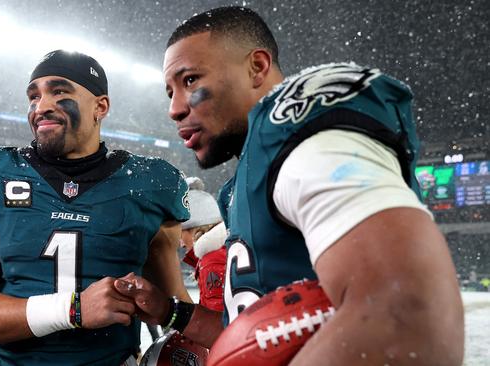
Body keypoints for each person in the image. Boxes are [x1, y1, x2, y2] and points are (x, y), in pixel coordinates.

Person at [113, 6, 465, 365]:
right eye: (169, 91)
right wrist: (168, 311)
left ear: (258, 67)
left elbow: (409, 314)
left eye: (190, 81)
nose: (174, 108)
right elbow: (254, 335)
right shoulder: (244, 181)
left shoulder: (300, 135)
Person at [0, 50, 191, 366]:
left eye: (59, 92)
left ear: (100, 106)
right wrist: (74, 310)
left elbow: (173, 309)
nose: (40, 107)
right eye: (34, 96)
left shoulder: (149, 184)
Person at [180, 177, 226, 312]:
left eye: (181, 233)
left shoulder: (212, 262)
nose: (181, 244)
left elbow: (216, 323)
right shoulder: (225, 252)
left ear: (195, 229)